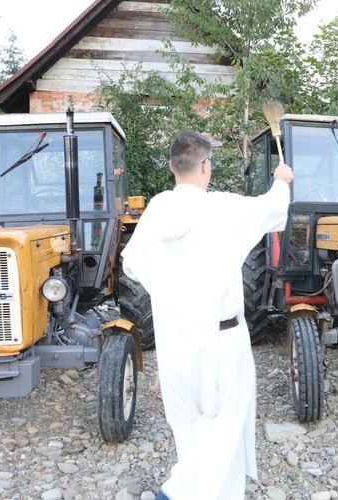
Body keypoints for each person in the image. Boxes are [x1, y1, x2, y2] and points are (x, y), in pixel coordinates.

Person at [121, 130, 293, 499]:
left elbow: (132, 266)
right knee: (224, 429)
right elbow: (273, 211)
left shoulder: (158, 210)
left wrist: (174, 283)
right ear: (205, 165)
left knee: (189, 428)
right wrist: (281, 181)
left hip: (175, 342)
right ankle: (177, 493)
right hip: (220, 341)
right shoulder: (221, 208)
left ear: (171, 166)